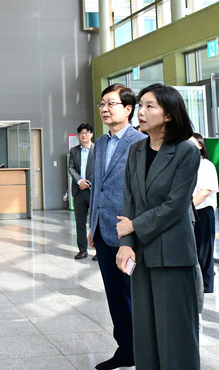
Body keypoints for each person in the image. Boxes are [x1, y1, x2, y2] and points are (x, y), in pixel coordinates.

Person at [115, 83, 201, 369]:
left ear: (169, 115)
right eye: (141, 105)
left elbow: (175, 206)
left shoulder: (186, 151)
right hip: (140, 255)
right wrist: (126, 244)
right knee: (145, 334)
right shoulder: (136, 150)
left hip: (173, 255)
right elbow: (128, 199)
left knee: (175, 334)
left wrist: (133, 227)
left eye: (149, 106)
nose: (141, 111)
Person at [88, 83, 145, 370]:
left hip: (129, 233)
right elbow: (97, 186)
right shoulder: (99, 143)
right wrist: (92, 225)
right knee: (115, 296)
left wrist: (132, 232)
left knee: (135, 294)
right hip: (103, 230)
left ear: (128, 108)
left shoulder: (141, 141)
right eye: (102, 104)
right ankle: (126, 350)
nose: (105, 109)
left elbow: (141, 191)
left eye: (111, 104)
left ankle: (145, 350)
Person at [188, 132, 219, 294]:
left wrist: (187, 208)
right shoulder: (185, 164)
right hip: (188, 212)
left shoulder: (206, 165)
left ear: (200, 145)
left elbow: (205, 191)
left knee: (204, 251)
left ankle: (206, 286)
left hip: (202, 211)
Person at [68, 123, 94, 259]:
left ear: (91, 134)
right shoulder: (74, 151)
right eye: (81, 133)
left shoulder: (97, 149)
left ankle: (99, 251)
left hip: (93, 190)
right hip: (78, 191)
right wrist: (79, 181)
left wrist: (87, 183)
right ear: (78, 135)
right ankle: (82, 250)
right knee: (80, 222)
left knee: (96, 222)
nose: (83, 135)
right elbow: (71, 168)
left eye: (86, 132)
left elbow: (100, 168)